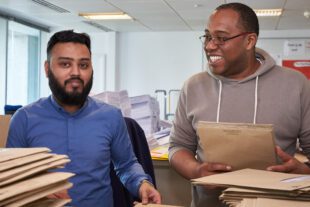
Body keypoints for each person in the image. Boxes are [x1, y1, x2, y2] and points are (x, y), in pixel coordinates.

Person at [168, 2, 310, 207]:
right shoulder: (193, 87)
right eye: (208, 36)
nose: (209, 46)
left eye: (221, 38)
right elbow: (178, 147)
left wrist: (305, 173)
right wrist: (196, 170)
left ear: (249, 40)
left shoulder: (296, 84)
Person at [6, 30, 161, 207]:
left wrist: (143, 183)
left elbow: (126, 166)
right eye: (65, 64)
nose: (76, 73)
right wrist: (35, 189)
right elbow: (11, 181)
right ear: (47, 69)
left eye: (84, 65)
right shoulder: (24, 119)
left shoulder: (111, 116)